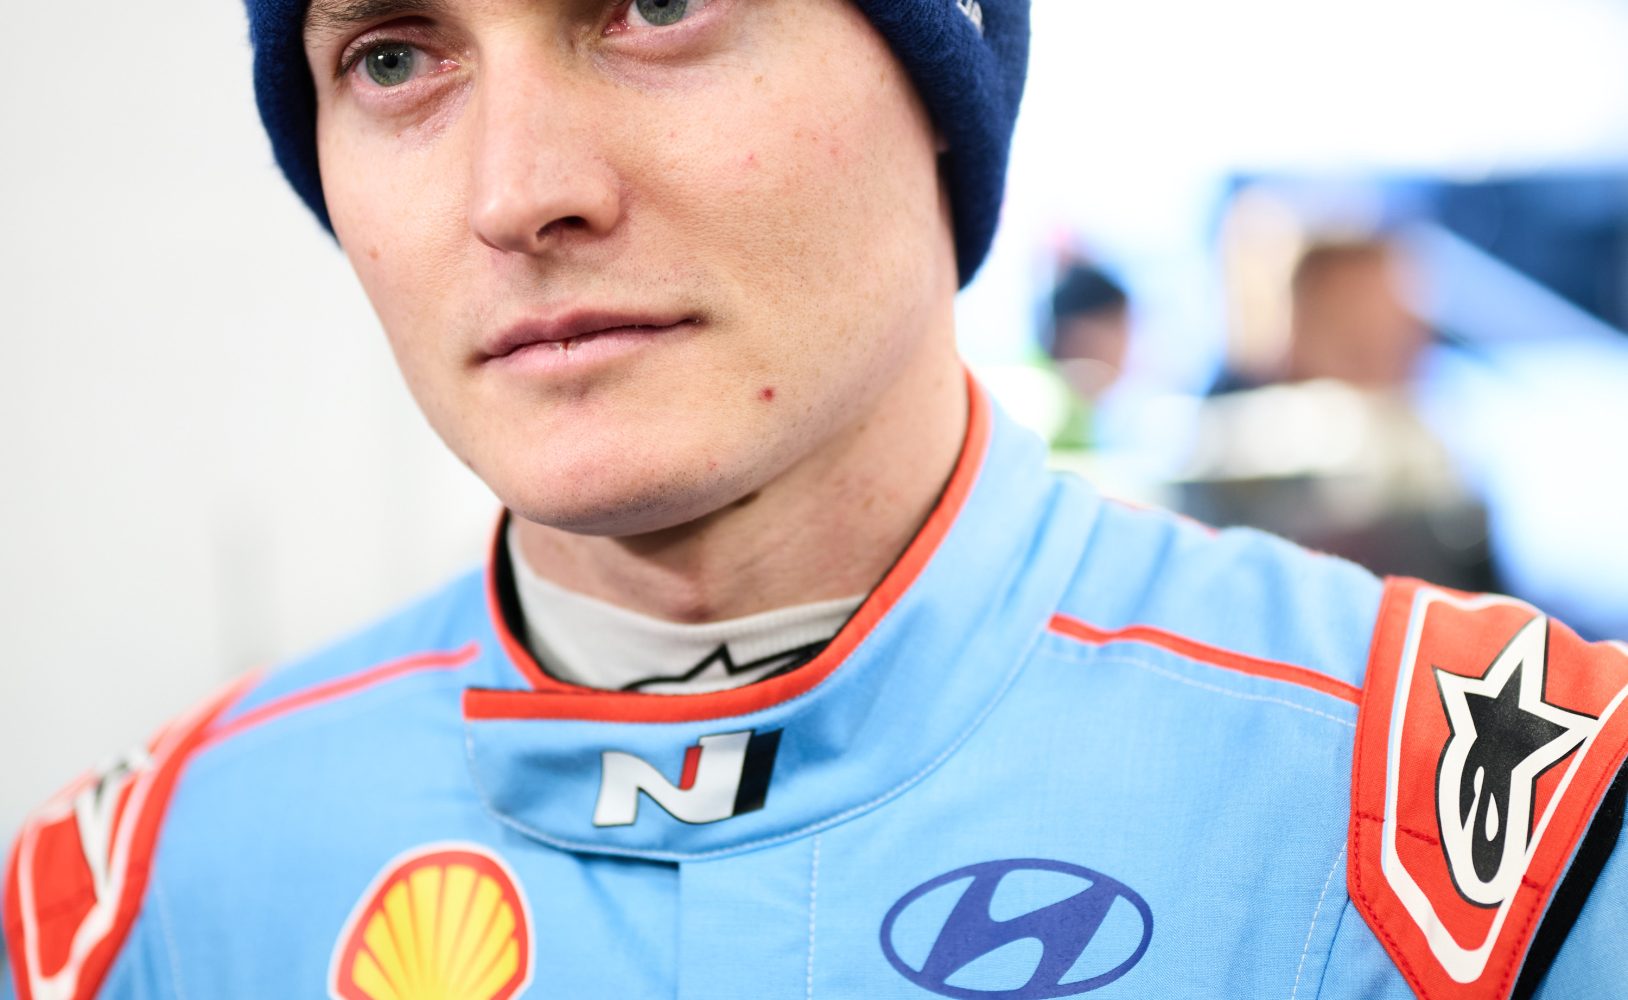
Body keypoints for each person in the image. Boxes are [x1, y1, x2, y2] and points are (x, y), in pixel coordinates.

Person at [4, 1, 1625, 998]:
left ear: (944, 78)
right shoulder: (142, 901)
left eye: (656, 3)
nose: (516, 193)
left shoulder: (1492, 843)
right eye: (394, 56)